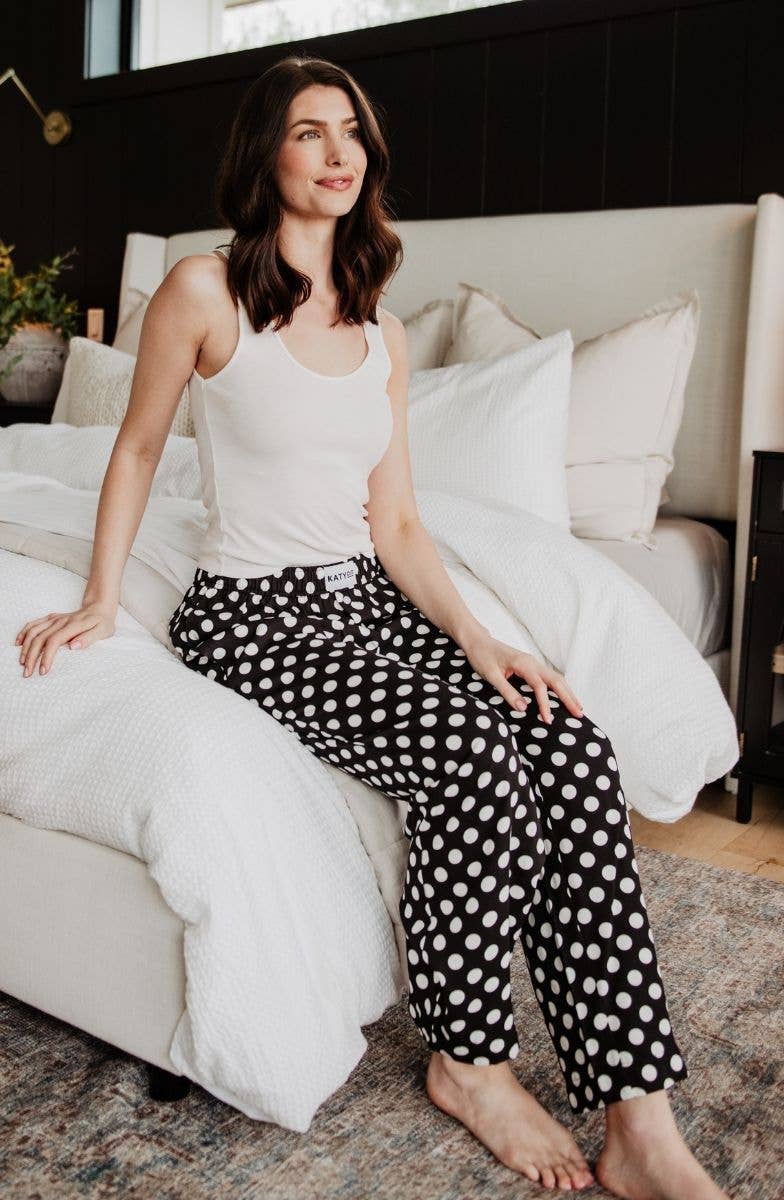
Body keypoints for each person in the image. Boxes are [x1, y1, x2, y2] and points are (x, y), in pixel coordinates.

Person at [15, 54, 731, 1200]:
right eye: (309, 131)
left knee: (570, 746)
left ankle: (637, 1113)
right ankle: (468, 1061)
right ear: (266, 154)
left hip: (364, 598)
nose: (337, 151)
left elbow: (394, 522)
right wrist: (102, 598)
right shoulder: (203, 290)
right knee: (471, 759)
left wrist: (481, 640)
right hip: (253, 616)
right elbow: (140, 448)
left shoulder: (382, 332)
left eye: (350, 130)